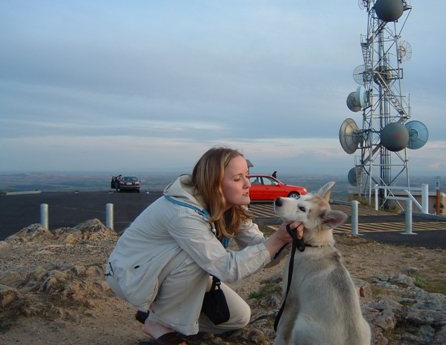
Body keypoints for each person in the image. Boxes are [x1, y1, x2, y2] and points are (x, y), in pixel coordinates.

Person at [105, 147, 303, 345]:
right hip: (132, 274)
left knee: (238, 317)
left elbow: (263, 249)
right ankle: (159, 324)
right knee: (195, 258)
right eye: (237, 179)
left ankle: (159, 316)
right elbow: (226, 268)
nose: (247, 184)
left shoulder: (232, 206)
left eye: (247, 176)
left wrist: (287, 240)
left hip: (164, 272)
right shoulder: (183, 213)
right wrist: (276, 239)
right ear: (215, 185)